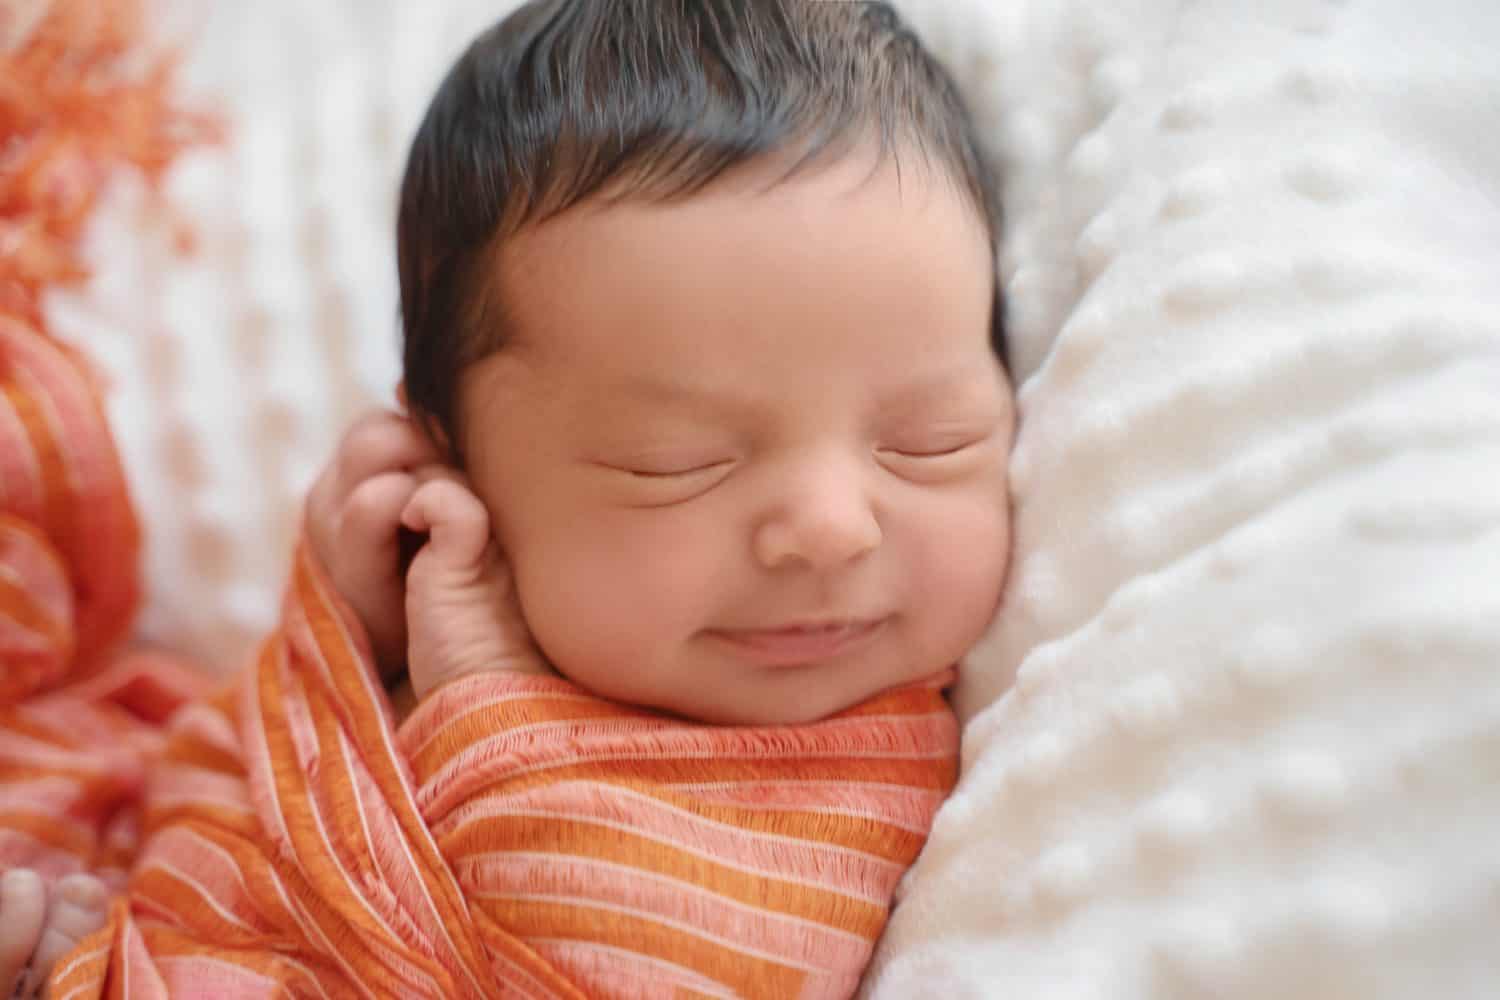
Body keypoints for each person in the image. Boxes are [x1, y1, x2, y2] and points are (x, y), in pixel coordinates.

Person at [11, 1, 1015, 996]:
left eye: (931, 442)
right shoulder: (460, 598)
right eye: (676, 462)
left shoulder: (855, 760)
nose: (832, 528)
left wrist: (480, 687)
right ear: (460, 474)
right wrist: (361, 636)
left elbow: (642, 970)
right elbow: (222, 779)